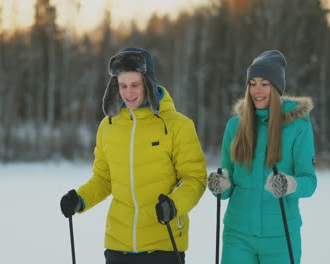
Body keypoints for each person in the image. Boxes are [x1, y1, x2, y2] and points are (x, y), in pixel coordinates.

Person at [60, 47, 207, 264]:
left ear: (148, 82)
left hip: (164, 243)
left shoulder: (178, 125)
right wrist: (80, 199)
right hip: (118, 245)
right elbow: (104, 178)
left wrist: (174, 205)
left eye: (135, 85)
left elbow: (194, 178)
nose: (128, 93)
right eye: (123, 85)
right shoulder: (108, 126)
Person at [208, 50, 317, 264]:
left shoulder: (297, 127)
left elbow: (309, 181)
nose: (257, 90)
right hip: (237, 235)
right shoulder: (235, 126)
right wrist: (219, 184)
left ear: (276, 88)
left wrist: (289, 184)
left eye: (265, 83)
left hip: (281, 237)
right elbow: (227, 179)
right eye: (252, 83)